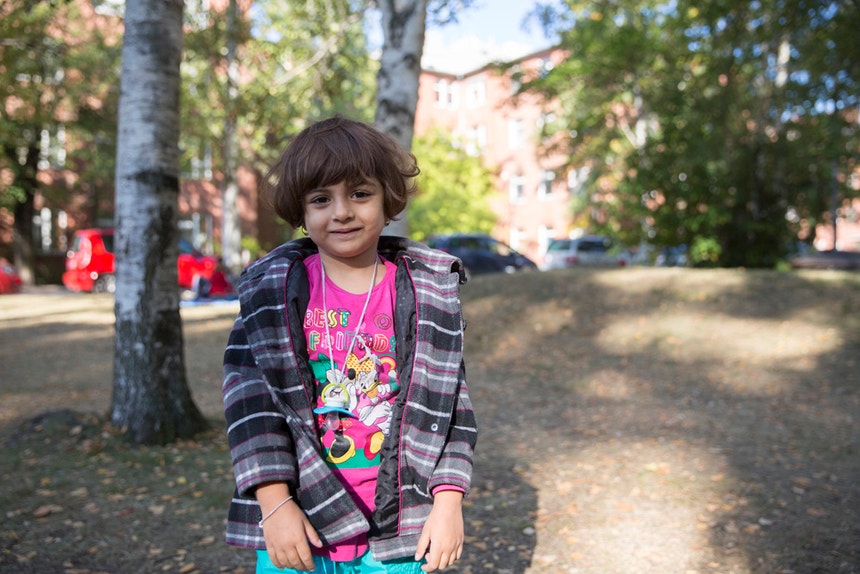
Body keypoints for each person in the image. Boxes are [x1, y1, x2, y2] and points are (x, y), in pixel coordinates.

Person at [222, 116, 477, 574]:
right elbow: (250, 405)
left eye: (359, 194)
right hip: (301, 520)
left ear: (387, 199)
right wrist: (275, 505)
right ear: (301, 211)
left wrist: (448, 504)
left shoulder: (427, 295)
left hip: (403, 526)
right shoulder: (268, 295)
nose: (341, 212)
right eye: (321, 199)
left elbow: (451, 407)